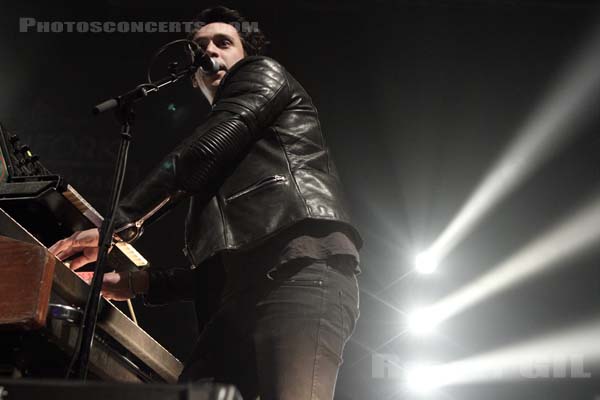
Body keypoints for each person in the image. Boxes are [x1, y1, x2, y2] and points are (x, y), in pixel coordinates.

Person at [49, 6, 361, 400]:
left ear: (244, 54)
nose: (209, 51)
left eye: (223, 42)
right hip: (236, 302)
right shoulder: (222, 171)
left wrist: (118, 223)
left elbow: (205, 149)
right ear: (194, 77)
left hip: (302, 271)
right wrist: (140, 282)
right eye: (199, 46)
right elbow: (227, 266)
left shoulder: (263, 73)